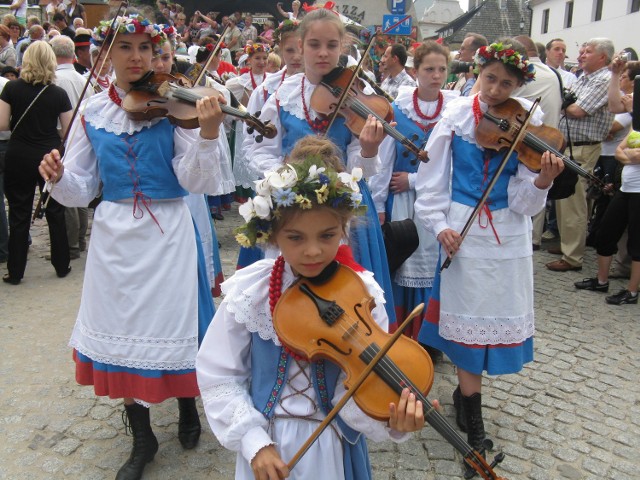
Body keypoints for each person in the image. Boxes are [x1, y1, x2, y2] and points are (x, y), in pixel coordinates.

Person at [37, 15, 231, 479]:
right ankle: (141, 435)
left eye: (145, 47)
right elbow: (84, 187)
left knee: (175, 322)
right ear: (107, 54)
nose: (137, 56)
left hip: (167, 229)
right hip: (115, 234)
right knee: (122, 326)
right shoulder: (94, 114)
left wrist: (206, 134)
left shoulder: (173, 105)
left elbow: (196, 180)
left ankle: (187, 404)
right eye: (125, 46)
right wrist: (61, 176)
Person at [196, 135, 426, 480]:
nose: (314, 251)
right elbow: (219, 376)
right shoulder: (251, 291)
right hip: (266, 445)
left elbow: (357, 392)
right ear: (273, 236)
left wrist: (392, 417)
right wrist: (254, 441)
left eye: (327, 235)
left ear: (344, 230)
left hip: (332, 448)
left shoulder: (363, 297)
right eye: (295, 238)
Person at [414, 42, 565, 472]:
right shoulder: (457, 116)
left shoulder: (528, 123)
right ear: (479, 74)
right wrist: (440, 224)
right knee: (464, 325)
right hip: (462, 230)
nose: (497, 89)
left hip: (507, 237)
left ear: (521, 85)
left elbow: (522, 203)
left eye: (508, 83)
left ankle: (466, 398)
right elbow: (431, 180)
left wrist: (541, 183)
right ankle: (475, 429)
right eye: (490, 79)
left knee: (488, 322)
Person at [247, 6, 397, 327]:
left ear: (342, 48)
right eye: (314, 44)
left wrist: (369, 150)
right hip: (292, 205)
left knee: (345, 296)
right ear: (300, 47)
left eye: (332, 45)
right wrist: (285, 177)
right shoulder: (281, 95)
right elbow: (259, 150)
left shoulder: (358, 95)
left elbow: (362, 168)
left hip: (340, 206)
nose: (323, 53)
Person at [371, 40, 459, 342]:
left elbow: (456, 164)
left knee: (435, 264)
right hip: (401, 203)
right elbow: (383, 161)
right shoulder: (397, 108)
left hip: (438, 202)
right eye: (429, 69)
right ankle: (401, 332)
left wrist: (414, 180)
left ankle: (430, 335)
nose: (436, 75)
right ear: (415, 70)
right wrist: (379, 203)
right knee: (403, 259)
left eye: (442, 69)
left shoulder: (457, 110)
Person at [0, 41, 73, 285]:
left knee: (19, 212)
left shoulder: (11, 88)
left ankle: (16, 270)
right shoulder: (58, 93)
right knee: (55, 210)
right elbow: (68, 128)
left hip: (18, 154)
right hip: (48, 155)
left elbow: (2, 123)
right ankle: (62, 264)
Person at [546, 38, 616, 272]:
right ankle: (568, 243)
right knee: (563, 197)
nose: (581, 55)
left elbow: (577, 110)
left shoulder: (603, 79)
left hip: (584, 146)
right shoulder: (583, 78)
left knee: (573, 200)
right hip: (570, 144)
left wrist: (560, 102)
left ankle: (573, 256)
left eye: (587, 52)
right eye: (582, 51)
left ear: (602, 57)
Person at [574, 129, 640, 306]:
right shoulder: (636, 129)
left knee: (636, 243)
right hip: (626, 188)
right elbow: (619, 151)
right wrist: (629, 157)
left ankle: (632, 291)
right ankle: (601, 281)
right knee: (605, 232)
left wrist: (628, 156)